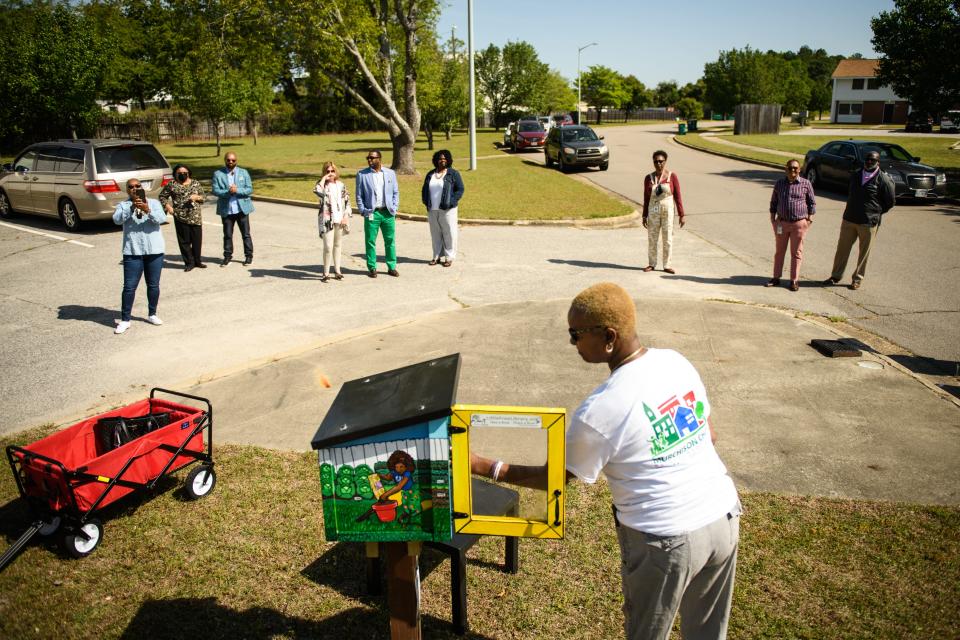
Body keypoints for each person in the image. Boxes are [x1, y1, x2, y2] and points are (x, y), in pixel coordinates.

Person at [471, 282, 740, 640]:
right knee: (708, 634)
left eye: (576, 335)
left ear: (609, 336)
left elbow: (554, 478)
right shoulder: (676, 361)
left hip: (665, 539)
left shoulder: (600, 410)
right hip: (723, 517)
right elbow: (709, 434)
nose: (573, 343)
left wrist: (481, 465)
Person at [823, 150, 895, 290]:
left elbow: (890, 202)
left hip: (868, 222)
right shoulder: (856, 174)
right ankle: (835, 276)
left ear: (878, 162)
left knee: (864, 253)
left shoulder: (884, 179)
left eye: (872, 160)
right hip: (849, 218)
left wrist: (876, 213)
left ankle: (857, 279)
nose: (869, 162)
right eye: (867, 159)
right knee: (842, 250)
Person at [112, 178, 167, 335]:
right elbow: (116, 220)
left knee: (153, 285)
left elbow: (162, 219)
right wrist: (131, 208)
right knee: (129, 287)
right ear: (127, 190)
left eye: (138, 186)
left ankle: (152, 314)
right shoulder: (123, 205)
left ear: (143, 188)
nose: (135, 189)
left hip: (154, 250)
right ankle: (125, 319)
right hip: (133, 251)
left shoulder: (154, 203)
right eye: (131, 187)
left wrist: (148, 209)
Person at [767, 159, 816, 291]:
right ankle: (776, 278)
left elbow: (812, 203)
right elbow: (774, 202)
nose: (792, 170)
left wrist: (809, 220)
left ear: (799, 170)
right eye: (790, 168)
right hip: (781, 223)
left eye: (795, 168)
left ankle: (794, 280)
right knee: (779, 252)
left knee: (796, 253)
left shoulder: (806, 184)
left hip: (798, 224)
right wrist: (773, 219)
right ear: (785, 169)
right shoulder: (779, 183)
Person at [355, 149, 400, 278]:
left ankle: (391, 267)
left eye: (372, 158)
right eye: (368, 158)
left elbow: (396, 192)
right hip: (371, 213)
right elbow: (359, 195)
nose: (369, 160)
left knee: (390, 241)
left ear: (379, 159)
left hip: (387, 213)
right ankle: (372, 267)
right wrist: (363, 210)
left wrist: (394, 208)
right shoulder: (362, 175)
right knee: (370, 241)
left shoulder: (390, 173)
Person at [642, 150, 686, 274]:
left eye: (661, 161)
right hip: (653, 212)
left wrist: (682, 215)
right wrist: (644, 215)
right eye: (656, 161)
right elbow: (646, 197)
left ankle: (667, 265)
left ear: (665, 162)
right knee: (652, 239)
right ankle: (652, 264)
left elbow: (678, 196)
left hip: (668, 212)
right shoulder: (648, 178)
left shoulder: (672, 176)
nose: (658, 164)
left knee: (668, 239)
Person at [420, 149, 464, 267]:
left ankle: (449, 257)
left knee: (449, 232)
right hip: (432, 209)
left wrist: (452, 202)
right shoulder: (430, 174)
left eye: (444, 158)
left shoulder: (453, 173)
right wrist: (425, 201)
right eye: (440, 158)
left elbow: (460, 189)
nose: (442, 160)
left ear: (448, 160)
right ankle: (436, 256)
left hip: (448, 209)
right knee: (435, 234)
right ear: (436, 160)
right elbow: (424, 189)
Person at [159, 163, 206, 271]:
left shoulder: (195, 183)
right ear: (175, 174)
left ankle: (197, 261)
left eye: (185, 173)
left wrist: (197, 197)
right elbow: (162, 196)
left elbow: (204, 197)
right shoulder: (172, 184)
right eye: (179, 173)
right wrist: (168, 207)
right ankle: (189, 262)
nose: (182, 175)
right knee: (184, 241)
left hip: (195, 216)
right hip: (180, 216)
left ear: (189, 173)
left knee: (196, 240)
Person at [211, 152, 254, 267]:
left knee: (246, 234)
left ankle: (248, 256)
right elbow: (215, 190)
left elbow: (249, 189)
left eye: (233, 160)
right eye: (228, 160)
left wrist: (237, 190)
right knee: (227, 235)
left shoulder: (243, 172)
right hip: (227, 210)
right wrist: (228, 192)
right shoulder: (218, 174)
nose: (230, 162)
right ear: (225, 160)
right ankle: (227, 257)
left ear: (236, 161)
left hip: (241, 209)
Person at [313, 161, 352, 282]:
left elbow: (347, 202)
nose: (330, 173)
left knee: (337, 245)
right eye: (327, 171)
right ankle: (326, 273)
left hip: (339, 219)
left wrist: (346, 216)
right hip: (327, 221)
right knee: (328, 247)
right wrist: (324, 178)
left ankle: (337, 271)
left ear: (336, 172)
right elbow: (317, 191)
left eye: (332, 171)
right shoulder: (322, 185)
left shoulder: (341, 185)